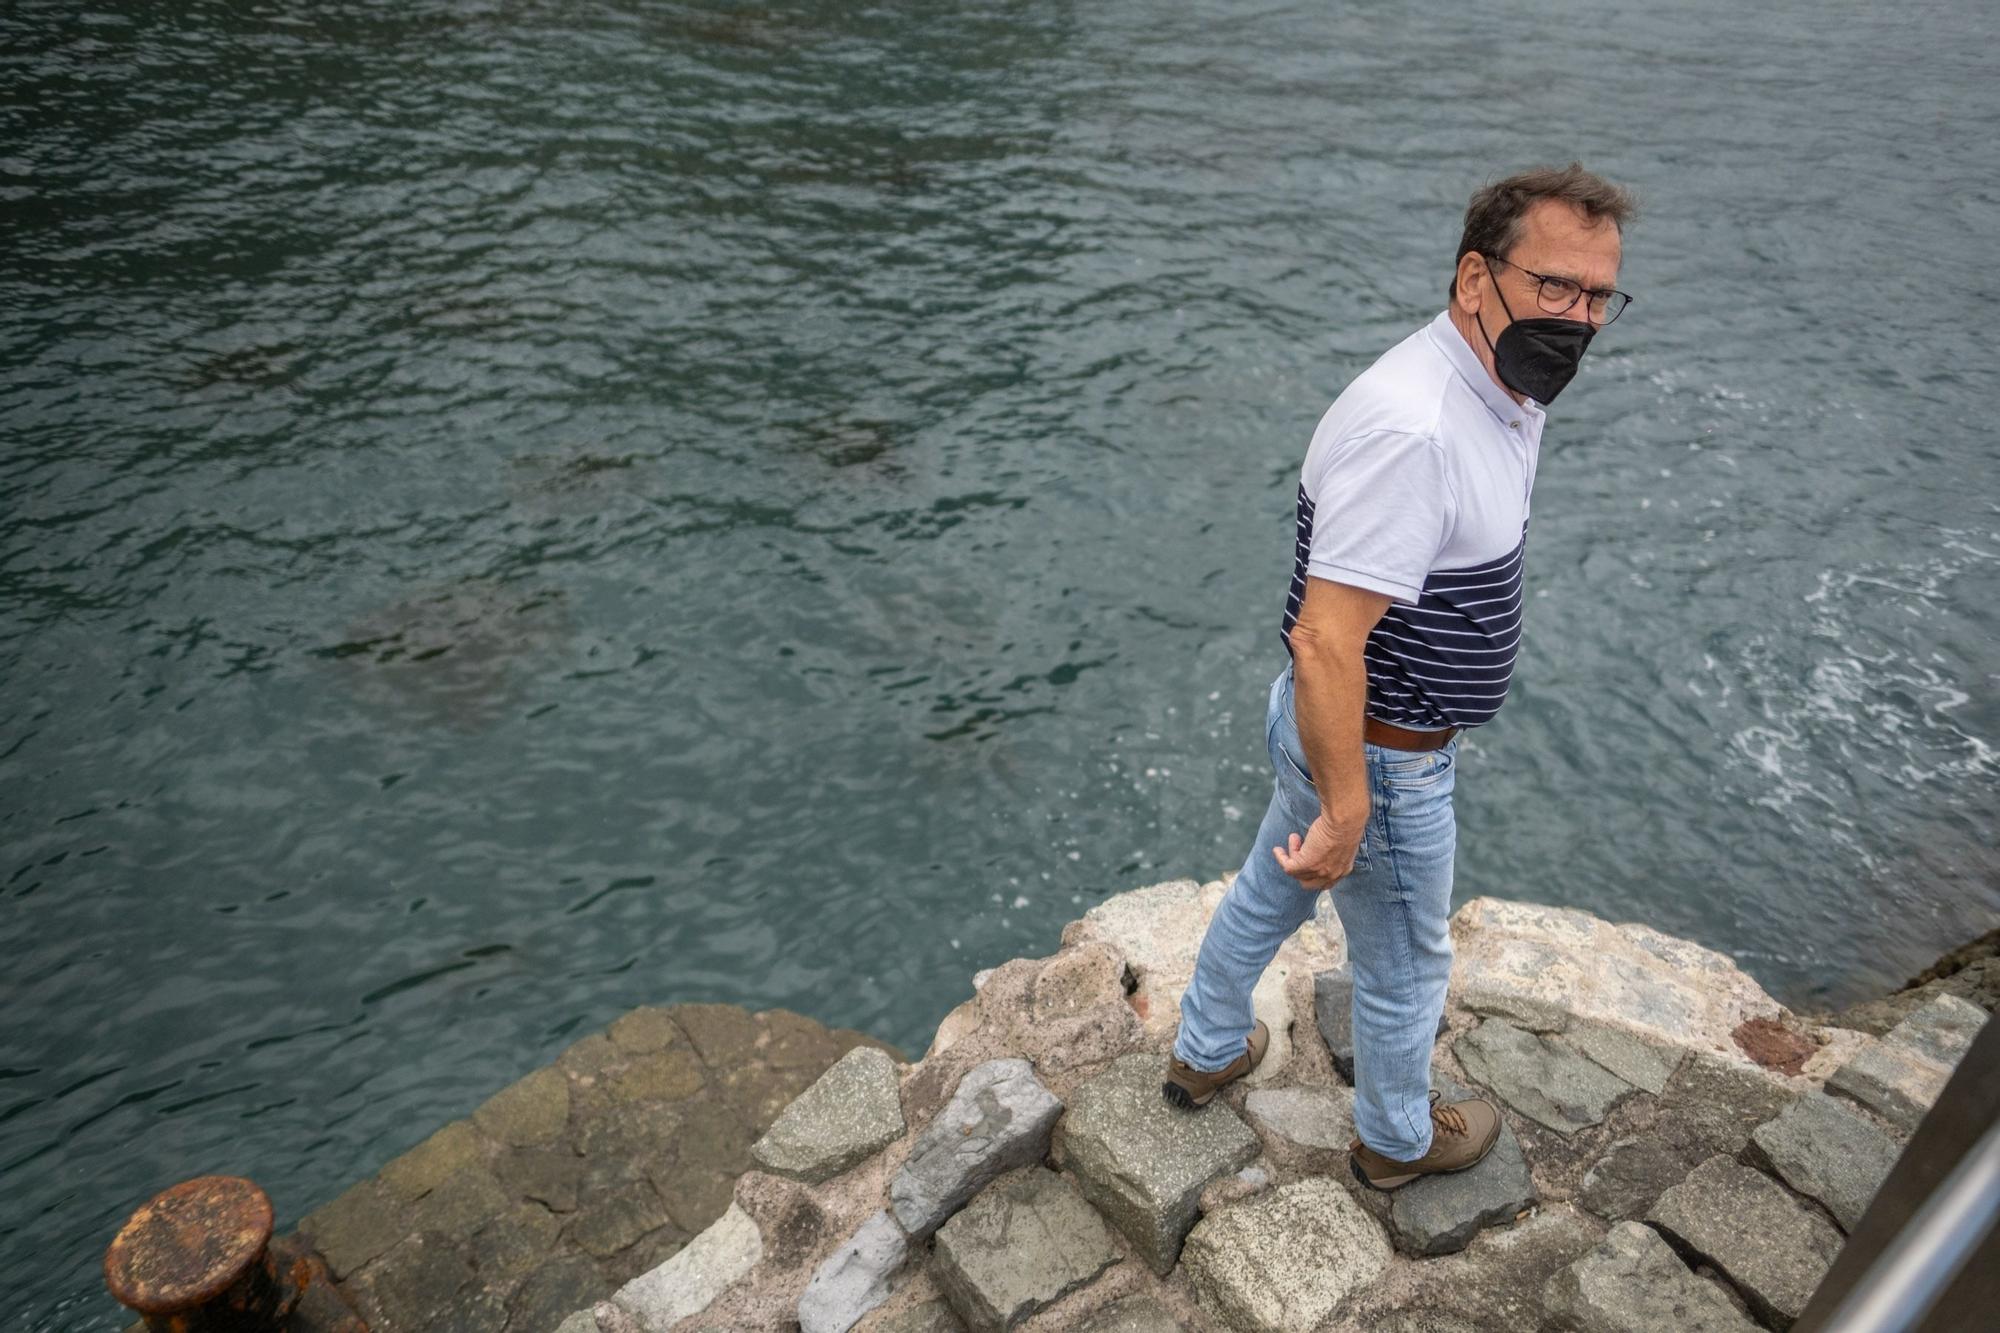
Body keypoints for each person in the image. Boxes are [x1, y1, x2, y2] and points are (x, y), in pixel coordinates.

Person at [1161, 164, 1637, 1190]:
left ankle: (1203, 1051)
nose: (1580, 317)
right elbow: (1326, 640)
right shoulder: (1415, 429)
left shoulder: (1500, 388)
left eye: (1599, 296)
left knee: (1269, 883)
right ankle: (1394, 1139)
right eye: (1554, 286)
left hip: (1343, 731)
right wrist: (1348, 806)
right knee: (1403, 963)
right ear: (1476, 278)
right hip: (1379, 751)